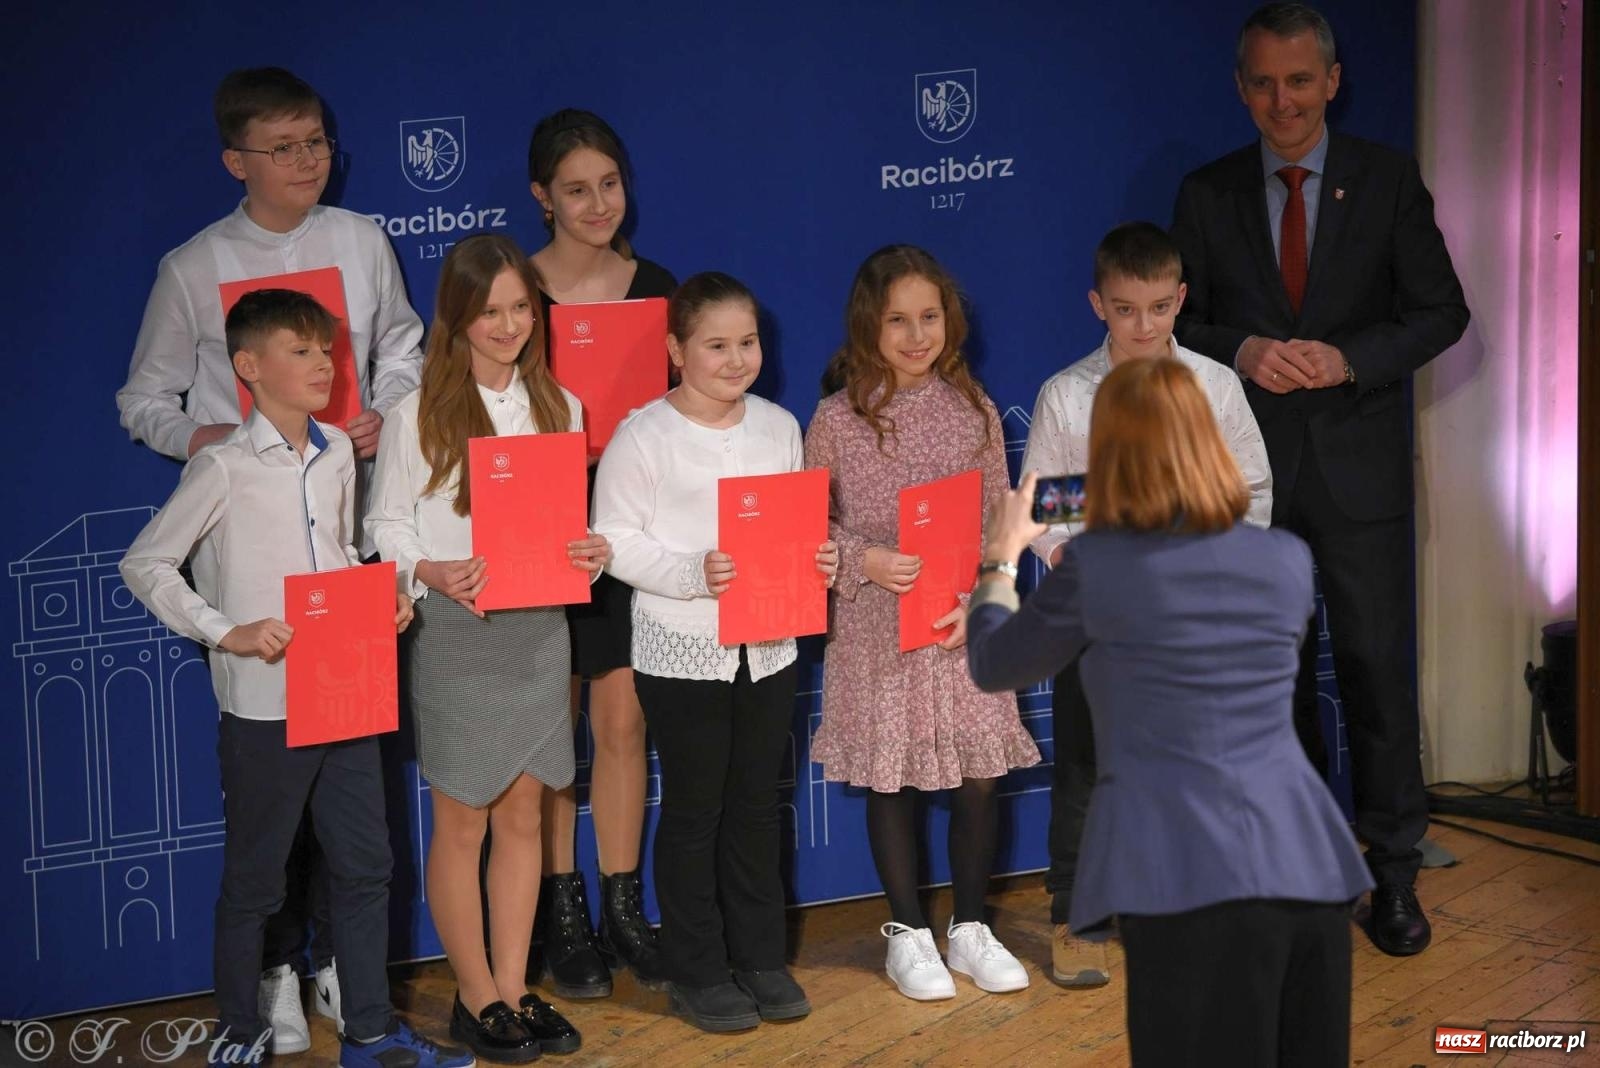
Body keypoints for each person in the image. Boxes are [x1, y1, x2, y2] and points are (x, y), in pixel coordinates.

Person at [116, 66, 427, 1043]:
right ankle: (270, 987)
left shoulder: (362, 239)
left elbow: (404, 347)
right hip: (247, 571)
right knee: (266, 817)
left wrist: (386, 409)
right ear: (236, 159)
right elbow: (144, 402)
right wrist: (203, 444)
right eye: (285, 146)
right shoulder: (193, 266)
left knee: (355, 820)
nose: (308, 160)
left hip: (344, 565)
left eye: (318, 141)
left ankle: (350, 987)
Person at [968, 356, 1373, 1068]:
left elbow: (994, 662)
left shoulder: (1098, 566)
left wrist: (1000, 560)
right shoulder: (1284, 559)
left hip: (1183, 874)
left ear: (1111, 456)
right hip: (1307, 864)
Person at [1170, 1, 1469, 956]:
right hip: (1250, 483)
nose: (1282, 100)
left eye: (1300, 80)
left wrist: (1347, 360)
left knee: (1379, 677)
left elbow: (1440, 312)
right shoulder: (1206, 193)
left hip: (1360, 479)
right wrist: (1246, 348)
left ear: (1332, 81)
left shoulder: (1386, 180)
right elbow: (1176, 327)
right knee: (1274, 685)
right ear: (1240, 89)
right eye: (1263, 82)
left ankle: (1392, 877)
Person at [119, 290, 469, 1068]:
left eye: (327, 350)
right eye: (301, 351)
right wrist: (225, 629)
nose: (323, 364)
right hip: (263, 707)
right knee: (257, 876)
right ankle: (240, 1032)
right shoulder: (222, 466)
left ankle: (371, 1032)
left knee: (366, 865)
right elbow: (144, 563)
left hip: (345, 688)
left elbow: (340, 554)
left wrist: (390, 599)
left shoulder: (339, 451)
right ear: (249, 368)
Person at [367, 234, 610, 1062]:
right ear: (458, 316)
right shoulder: (415, 413)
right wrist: (428, 567)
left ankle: (512, 989)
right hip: (457, 633)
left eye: (520, 308)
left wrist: (589, 549)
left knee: (526, 814)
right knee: (462, 818)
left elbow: (564, 525)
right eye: (490, 309)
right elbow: (384, 524)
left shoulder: (562, 407)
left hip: (541, 631)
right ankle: (472, 996)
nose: (508, 324)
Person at [1020, 221, 1271, 987]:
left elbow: (1252, 491)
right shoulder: (1067, 396)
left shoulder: (1214, 385)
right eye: (1126, 309)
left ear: (1181, 299)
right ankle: (1076, 915)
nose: (1142, 325)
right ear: (1099, 303)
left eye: (1159, 308)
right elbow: (1043, 506)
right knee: (1091, 769)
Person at [592, 272, 836, 1032]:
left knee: (758, 808)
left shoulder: (777, 425)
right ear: (676, 350)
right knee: (698, 808)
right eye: (717, 345)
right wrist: (691, 574)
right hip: (683, 650)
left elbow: (795, 522)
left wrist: (818, 559)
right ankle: (698, 970)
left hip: (768, 644)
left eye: (749, 342)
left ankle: (760, 957)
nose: (737, 360)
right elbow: (615, 542)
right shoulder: (643, 434)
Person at [805, 245, 1039, 1002]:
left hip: (957, 624)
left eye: (928, 318)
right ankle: (907, 934)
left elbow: (1001, 520)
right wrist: (866, 560)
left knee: (977, 780)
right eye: (896, 320)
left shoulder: (972, 410)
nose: (914, 336)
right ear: (867, 325)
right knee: (893, 782)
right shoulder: (836, 419)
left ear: (950, 321)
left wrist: (982, 595)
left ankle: (969, 928)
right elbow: (811, 530)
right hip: (876, 628)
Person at [526, 108, 677, 996]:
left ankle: (626, 907)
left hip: (631, 538)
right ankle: (564, 909)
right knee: (558, 737)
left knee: (624, 726)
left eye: (609, 185)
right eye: (576, 189)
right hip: (545, 539)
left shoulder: (656, 285)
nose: (597, 204)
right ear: (542, 197)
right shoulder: (516, 290)